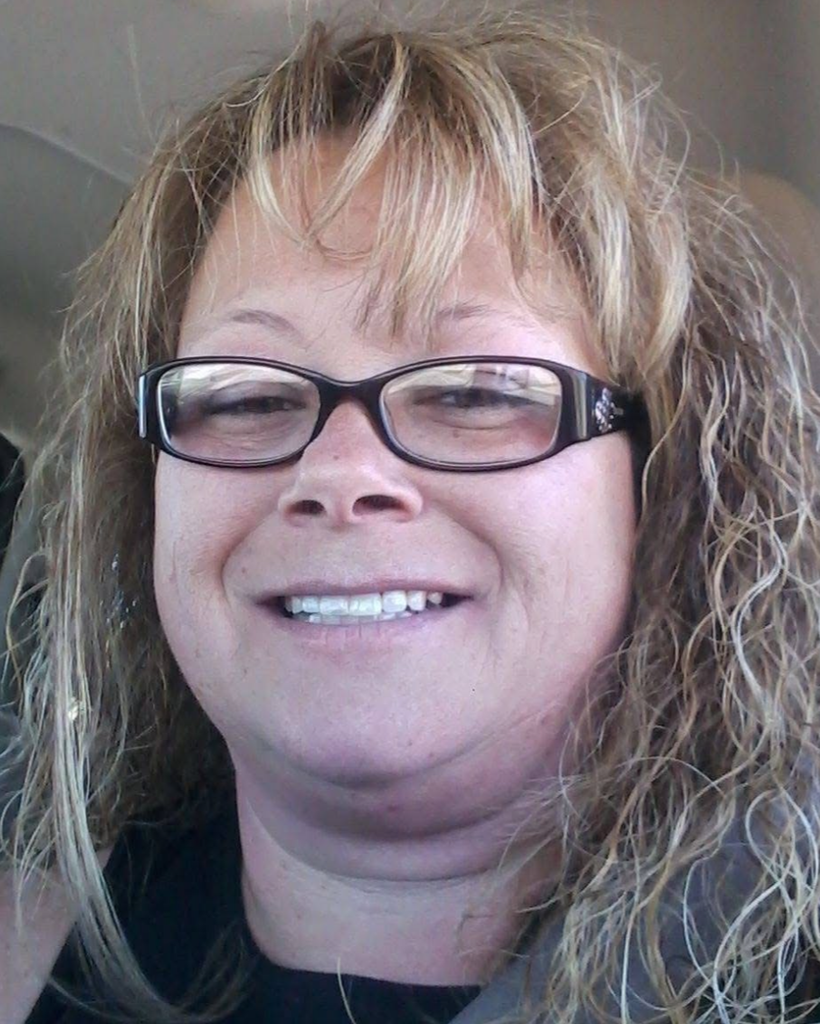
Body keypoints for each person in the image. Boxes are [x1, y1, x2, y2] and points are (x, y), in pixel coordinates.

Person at [2, 7, 819, 1023]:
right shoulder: (23, 948)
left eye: (474, 390)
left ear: (659, 487)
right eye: (246, 397)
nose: (340, 473)